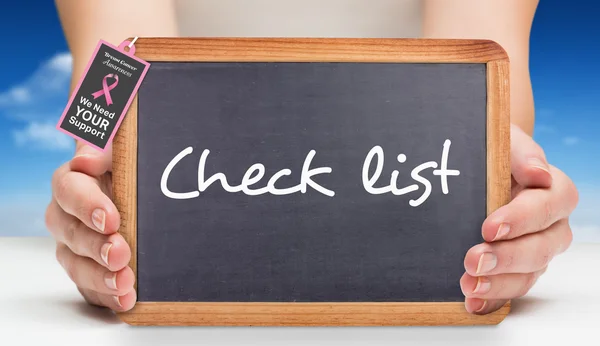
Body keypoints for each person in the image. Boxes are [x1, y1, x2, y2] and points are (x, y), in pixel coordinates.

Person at [47, 0, 578, 315]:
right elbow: (119, 53)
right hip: (183, 226)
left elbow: (479, 74)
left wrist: (503, 166)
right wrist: (97, 158)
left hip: (410, 230)